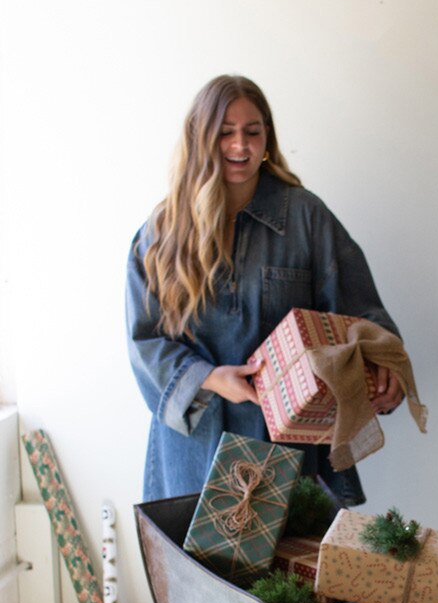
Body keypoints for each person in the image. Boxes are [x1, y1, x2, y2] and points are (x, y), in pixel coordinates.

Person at [126, 74, 404, 504]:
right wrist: (212, 378)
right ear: (201, 138)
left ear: (268, 138)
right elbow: (145, 341)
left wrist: (385, 365)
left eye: (253, 132)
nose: (241, 146)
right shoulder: (163, 232)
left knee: (291, 569)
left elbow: (362, 314)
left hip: (292, 452)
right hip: (194, 456)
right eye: (225, 133)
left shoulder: (306, 218)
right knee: (198, 569)